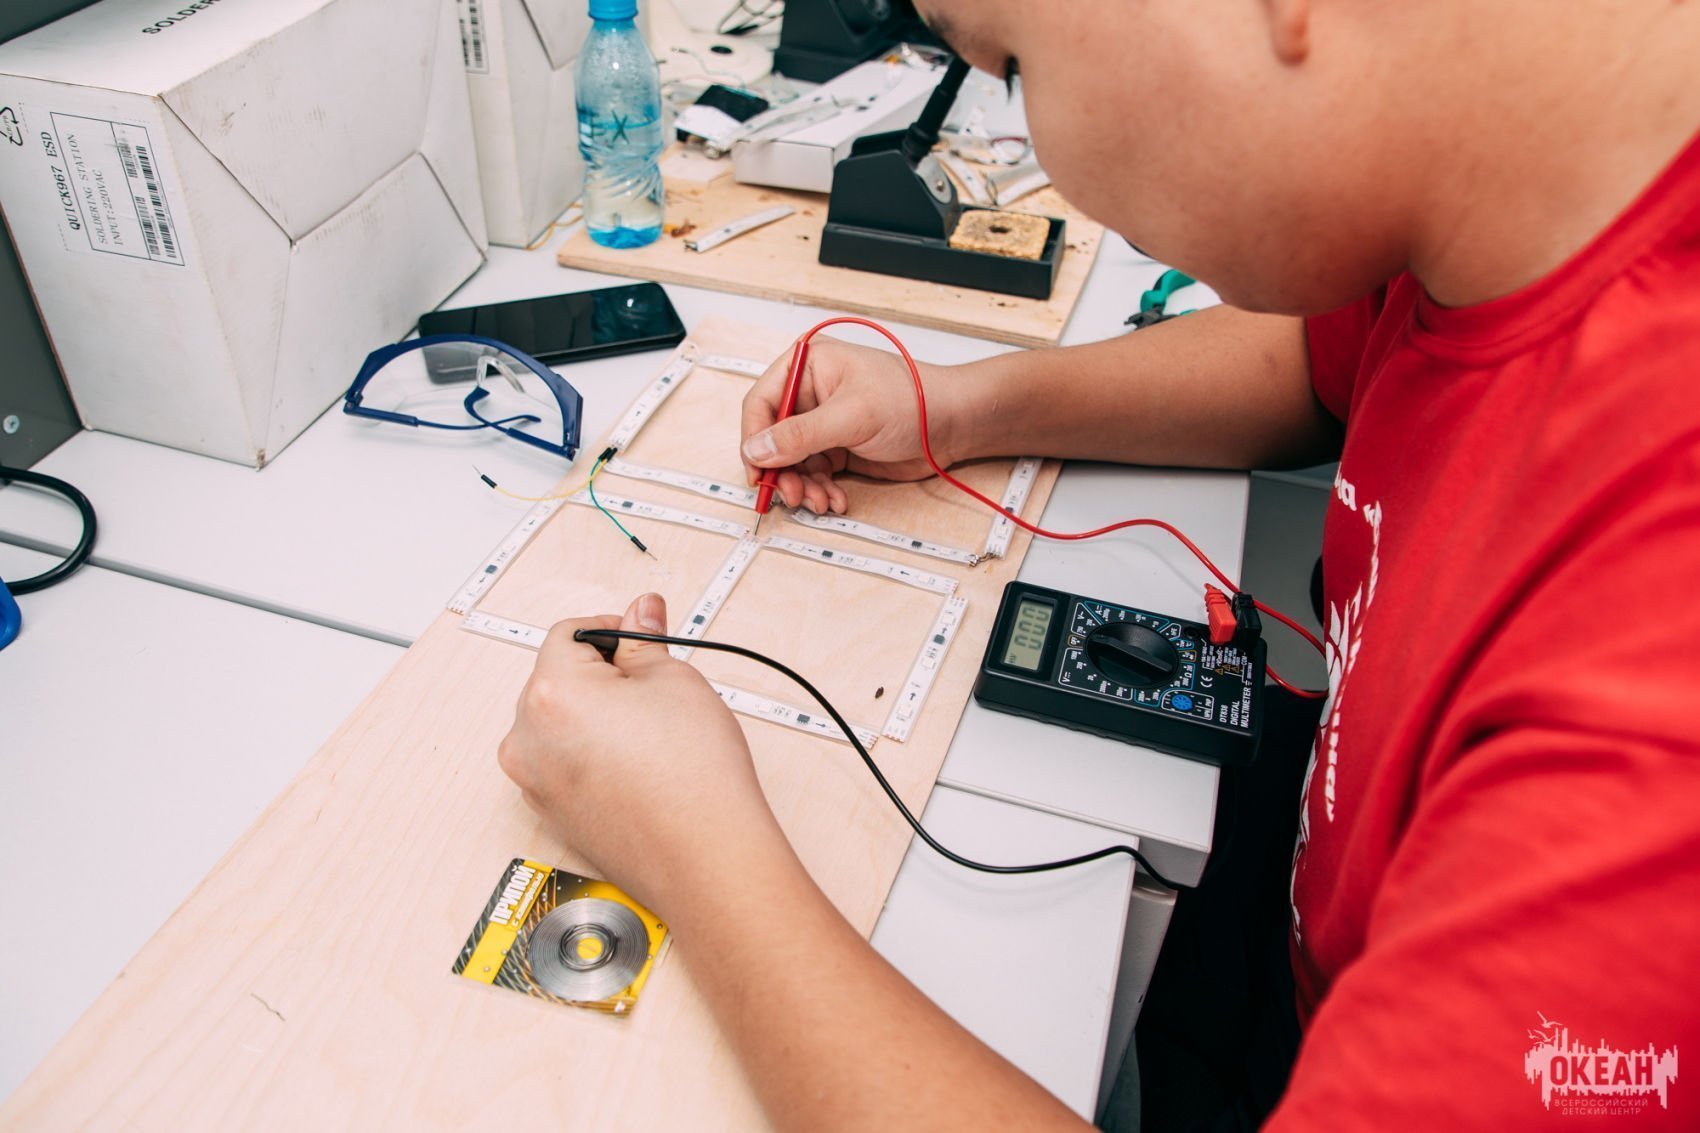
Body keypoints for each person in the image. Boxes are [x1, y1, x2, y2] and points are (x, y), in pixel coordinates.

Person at [496, 0, 1700, 1127]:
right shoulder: (1496, 210)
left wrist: (691, 843)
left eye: (1015, 66)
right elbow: (1313, 358)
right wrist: (960, 408)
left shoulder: (1649, 691)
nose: (1049, 162)